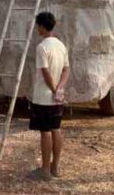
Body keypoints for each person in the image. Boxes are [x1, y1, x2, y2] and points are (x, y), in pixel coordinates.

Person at [29, 12, 70, 181]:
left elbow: (45, 71)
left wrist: (53, 89)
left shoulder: (42, 47)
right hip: (57, 97)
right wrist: (60, 88)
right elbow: (67, 69)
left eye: (37, 25)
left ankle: (45, 170)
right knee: (56, 129)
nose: (36, 28)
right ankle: (55, 167)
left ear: (41, 26)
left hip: (43, 96)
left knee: (45, 132)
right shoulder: (61, 46)